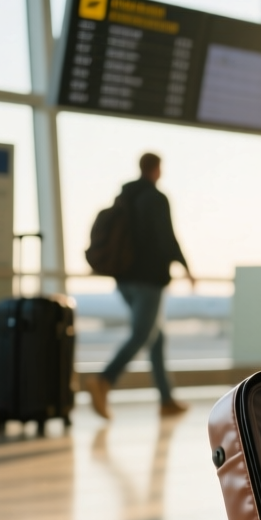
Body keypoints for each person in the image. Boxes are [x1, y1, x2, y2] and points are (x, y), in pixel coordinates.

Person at [85, 152, 193, 420]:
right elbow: (167, 237)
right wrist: (186, 267)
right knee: (142, 334)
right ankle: (104, 379)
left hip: (124, 279)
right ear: (157, 169)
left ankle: (166, 400)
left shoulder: (125, 197)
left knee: (156, 337)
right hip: (148, 279)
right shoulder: (156, 198)